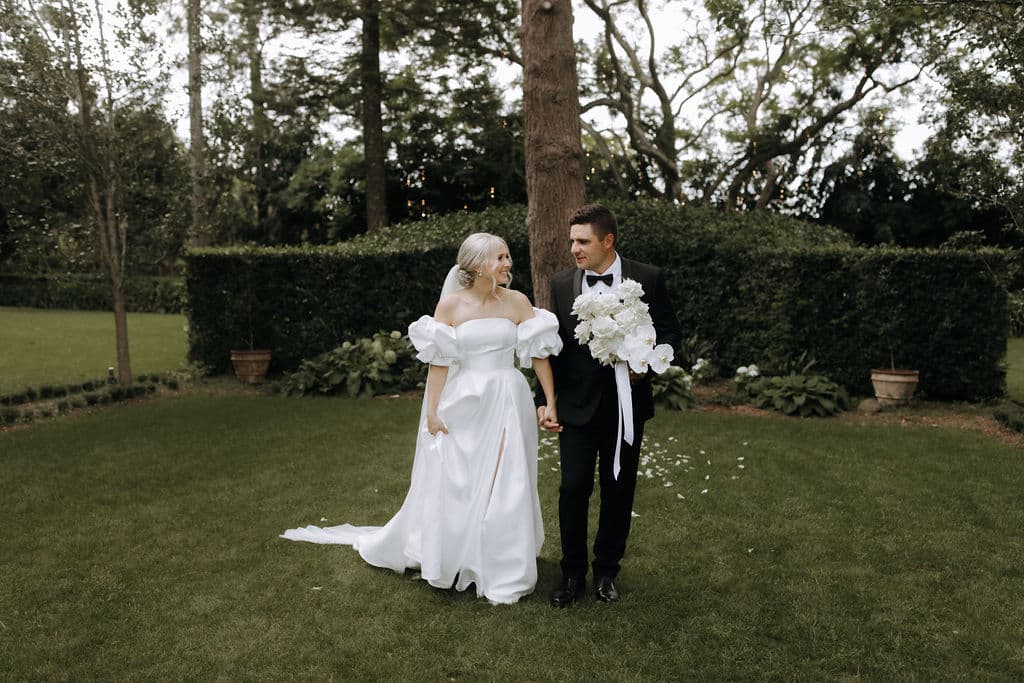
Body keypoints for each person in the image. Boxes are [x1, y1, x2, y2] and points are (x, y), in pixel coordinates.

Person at [282, 233, 562, 605]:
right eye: (501, 258)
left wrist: (551, 401)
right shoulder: (450, 307)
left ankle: (503, 566)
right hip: (465, 403)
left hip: (509, 398)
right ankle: (458, 555)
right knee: (460, 480)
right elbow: (440, 362)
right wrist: (432, 412)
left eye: (508, 257)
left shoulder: (517, 302)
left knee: (508, 478)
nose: (509, 264)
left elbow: (538, 353)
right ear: (479, 265)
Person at [536, 203, 681, 607]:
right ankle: (571, 575)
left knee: (619, 490)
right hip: (576, 406)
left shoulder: (648, 278)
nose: (574, 249)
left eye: (582, 241)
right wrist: (543, 401)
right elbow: (551, 347)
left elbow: (669, 334)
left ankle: (606, 573)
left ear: (608, 241)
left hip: (626, 406)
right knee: (572, 488)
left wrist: (643, 367)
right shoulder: (562, 283)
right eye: (571, 241)